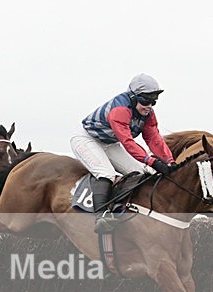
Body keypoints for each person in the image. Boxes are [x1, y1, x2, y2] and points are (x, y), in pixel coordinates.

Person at [70, 73, 176, 233]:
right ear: (133, 97)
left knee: (139, 173)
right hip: (86, 139)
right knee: (106, 173)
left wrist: (169, 160)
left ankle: (122, 208)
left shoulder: (148, 114)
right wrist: (152, 161)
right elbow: (127, 142)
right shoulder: (120, 110)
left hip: (109, 143)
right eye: (145, 101)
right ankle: (101, 216)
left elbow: (154, 138)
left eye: (153, 101)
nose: (149, 106)